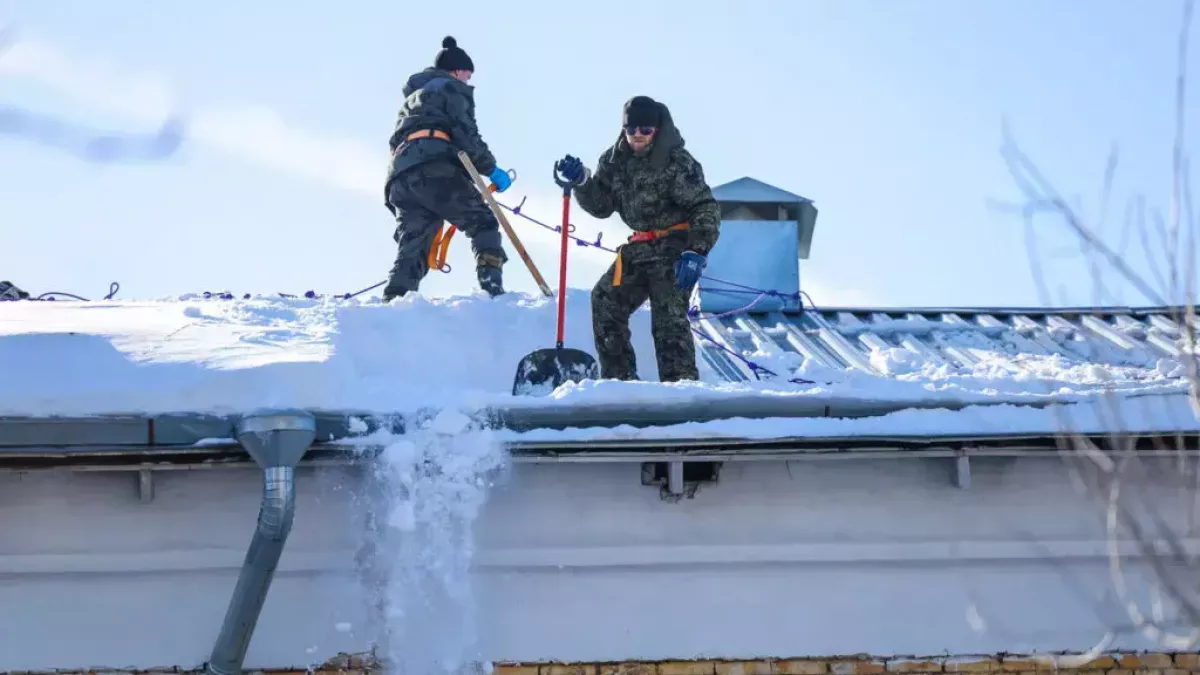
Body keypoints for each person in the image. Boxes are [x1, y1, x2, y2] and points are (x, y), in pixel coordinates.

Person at [555, 96, 720, 382]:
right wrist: (582, 181)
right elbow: (602, 206)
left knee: (668, 316)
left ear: (657, 130)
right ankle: (620, 381)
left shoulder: (677, 161)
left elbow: (704, 207)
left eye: (646, 130)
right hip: (639, 248)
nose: (638, 137)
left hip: (674, 249)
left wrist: (697, 250)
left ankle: (680, 387)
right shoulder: (613, 161)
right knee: (605, 300)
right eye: (632, 131)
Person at [381, 36, 514, 302]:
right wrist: (491, 169)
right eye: (467, 74)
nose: (468, 80)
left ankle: (395, 299)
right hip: (435, 170)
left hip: (401, 177)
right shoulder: (451, 88)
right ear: (456, 70)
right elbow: (466, 135)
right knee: (483, 222)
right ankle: (492, 289)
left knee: (414, 243)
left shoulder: (413, 99)